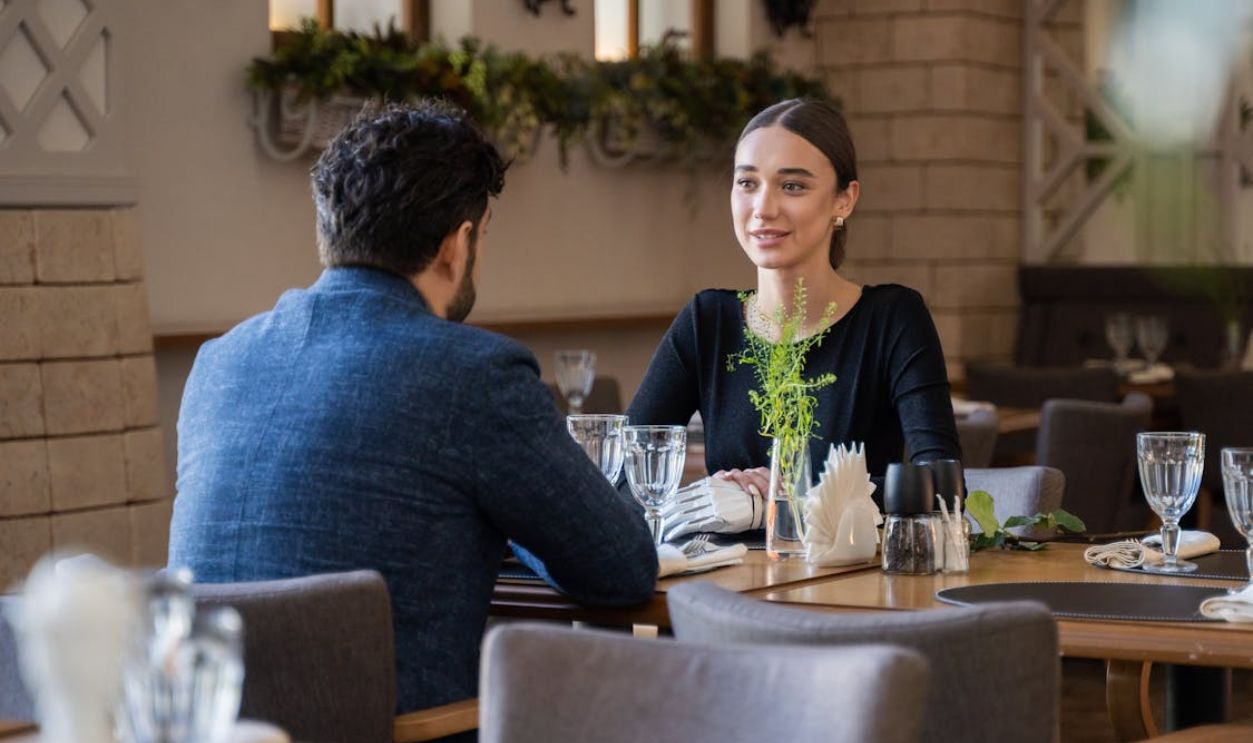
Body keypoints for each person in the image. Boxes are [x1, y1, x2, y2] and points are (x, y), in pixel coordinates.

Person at [168, 100, 658, 718]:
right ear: (459, 243)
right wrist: (510, 515)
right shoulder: (471, 374)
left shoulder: (218, 363)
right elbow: (621, 567)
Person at [627, 97, 960, 504]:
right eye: (747, 183)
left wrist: (790, 500)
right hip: (724, 567)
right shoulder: (707, 321)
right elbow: (623, 479)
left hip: (851, 568)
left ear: (845, 200)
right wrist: (713, 494)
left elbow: (943, 490)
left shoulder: (893, 319)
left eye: (792, 186)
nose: (763, 209)